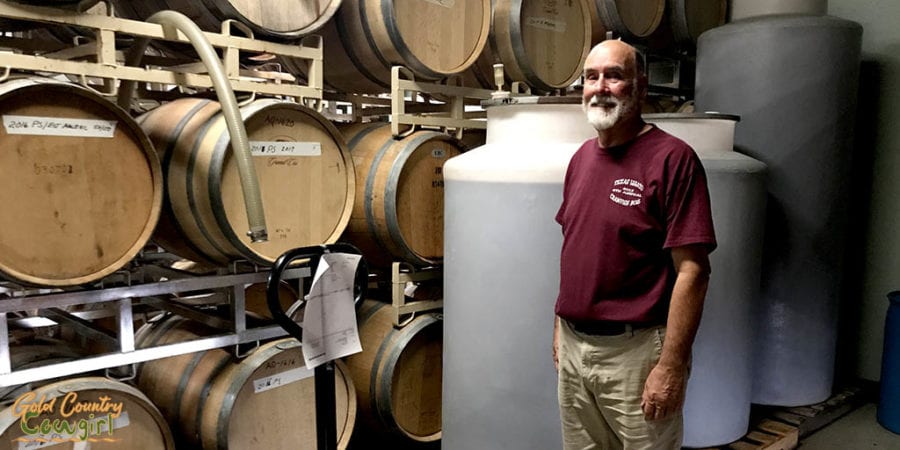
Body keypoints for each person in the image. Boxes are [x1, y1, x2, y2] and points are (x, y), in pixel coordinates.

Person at [552, 39, 717, 449]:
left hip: (637, 353)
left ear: (640, 87)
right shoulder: (581, 160)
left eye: (614, 76)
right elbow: (576, 248)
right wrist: (560, 323)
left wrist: (672, 365)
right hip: (575, 348)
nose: (600, 87)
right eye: (592, 77)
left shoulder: (673, 159)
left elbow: (693, 270)